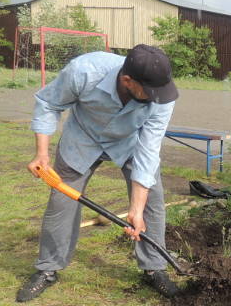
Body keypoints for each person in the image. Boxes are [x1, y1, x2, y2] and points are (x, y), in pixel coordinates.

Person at [16, 44, 179, 302]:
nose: (156, 96)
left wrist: (136, 209)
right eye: (149, 92)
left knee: (152, 201)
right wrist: (42, 153)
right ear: (127, 81)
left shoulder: (161, 95)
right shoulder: (84, 71)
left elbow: (149, 149)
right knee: (61, 204)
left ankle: (153, 268)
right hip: (83, 139)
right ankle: (48, 269)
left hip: (130, 143)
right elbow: (48, 103)